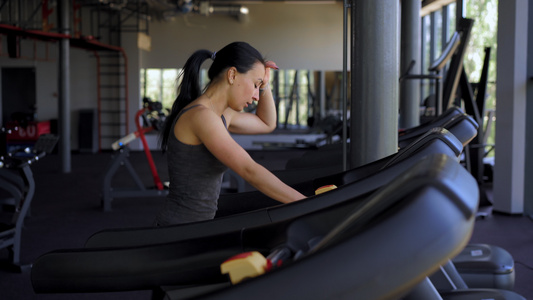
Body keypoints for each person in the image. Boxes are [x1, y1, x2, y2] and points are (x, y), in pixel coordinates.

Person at [155, 41, 306, 226]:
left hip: (197, 227)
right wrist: (308, 204)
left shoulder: (221, 115)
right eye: (255, 85)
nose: (257, 96)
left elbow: (267, 123)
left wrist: (265, 84)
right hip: (178, 231)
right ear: (232, 75)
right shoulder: (201, 116)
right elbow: (249, 170)